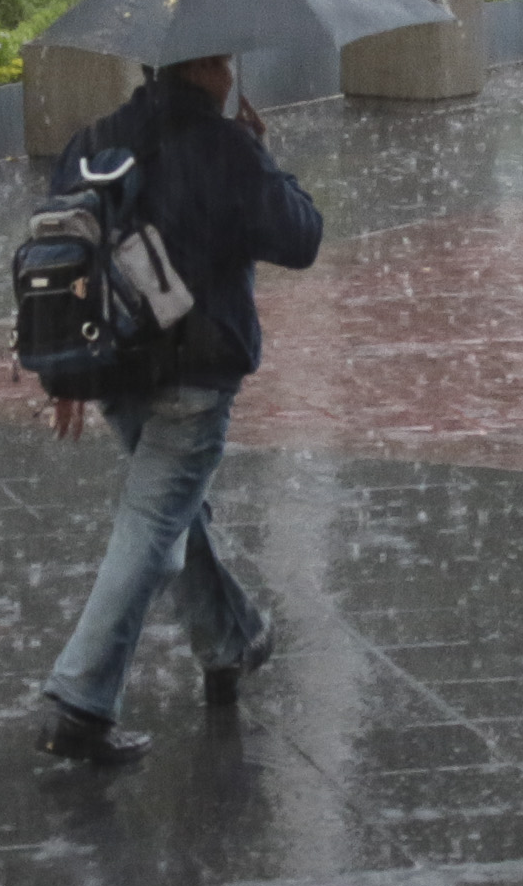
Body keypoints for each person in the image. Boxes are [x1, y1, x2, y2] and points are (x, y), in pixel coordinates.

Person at [35, 54, 321, 765]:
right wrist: (261, 158)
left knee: (170, 512)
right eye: (223, 61)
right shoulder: (224, 149)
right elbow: (301, 239)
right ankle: (79, 700)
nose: (230, 73)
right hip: (194, 375)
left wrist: (65, 374)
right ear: (206, 69)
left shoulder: (93, 141)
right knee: (150, 528)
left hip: (115, 371)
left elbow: (61, 257)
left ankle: (229, 640)